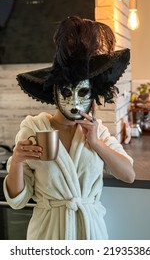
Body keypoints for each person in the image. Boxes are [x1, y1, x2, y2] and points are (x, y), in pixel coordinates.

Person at [3, 16, 135, 240]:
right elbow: (17, 201)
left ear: (93, 94)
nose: (74, 100)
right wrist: (16, 161)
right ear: (53, 92)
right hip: (47, 234)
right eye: (65, 92)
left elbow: (129, 175)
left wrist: (96, 143)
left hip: (89, 232)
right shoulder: (34, 128)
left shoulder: (98, 131)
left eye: (82, 92)